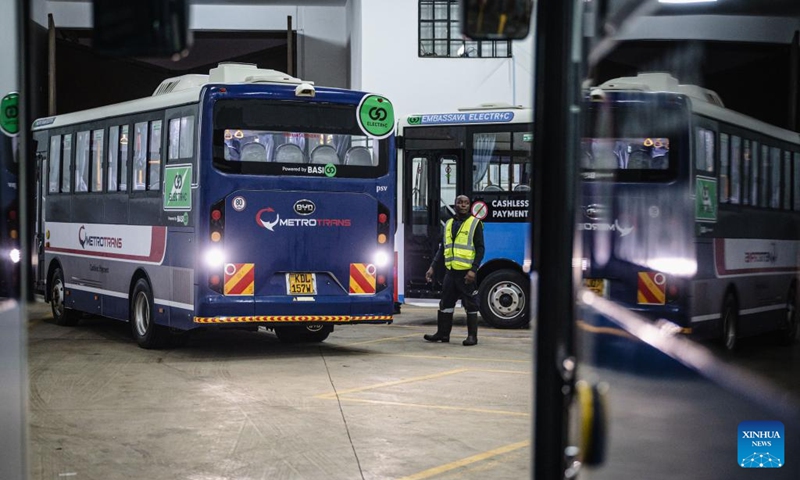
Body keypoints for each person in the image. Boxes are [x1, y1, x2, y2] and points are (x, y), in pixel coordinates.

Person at [423, 194, 485, 346]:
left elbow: (480, 249)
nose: (463, 205)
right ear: (455, 205)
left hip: (466, 274)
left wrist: (473, 270)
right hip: (450, 273)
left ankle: (472, 337)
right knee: (445, 304)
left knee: (470, 305)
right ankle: (443, 334)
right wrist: (432, 267)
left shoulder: (475, 224)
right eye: (460, 202)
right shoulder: (449, 224)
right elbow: (443, 248)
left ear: (469, 206)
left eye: (466, 203)